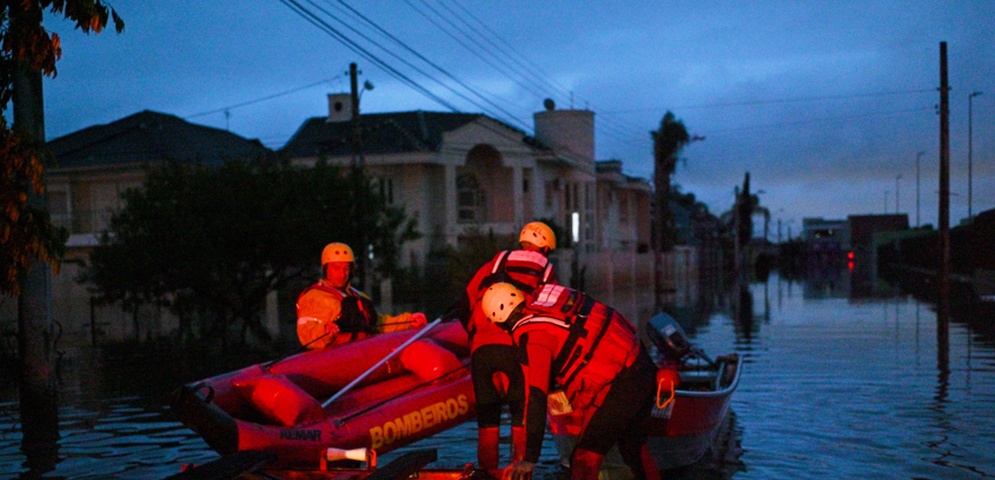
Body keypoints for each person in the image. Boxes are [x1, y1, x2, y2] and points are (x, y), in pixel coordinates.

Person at [481, 282, 661, 480]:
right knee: (632, 447)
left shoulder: (531, 337)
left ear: (498, 322)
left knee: (584, 460)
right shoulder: (546, 300)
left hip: (622, 381)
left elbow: (536, 398)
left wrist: (529, 459)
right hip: (641, 361)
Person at [453, 221, 557, 472]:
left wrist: (477, 338)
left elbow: (465, 304)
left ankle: (489, 475)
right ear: (545, 248)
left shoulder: (495, 262)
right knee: (520, 419)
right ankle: (518, 473)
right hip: (515, 349)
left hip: (481, 351)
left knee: (488, 422)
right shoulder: (546, 269)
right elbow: (550, 314)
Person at [296, 242, 427, 349]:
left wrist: (409, 320)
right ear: (325, 269)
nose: (342, 274)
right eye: (336, 268)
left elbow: (380, 323)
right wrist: (325, 330)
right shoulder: (314, 297)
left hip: (363, 352)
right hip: (337, 359)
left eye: (346, 268)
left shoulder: (357, 295)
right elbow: (306, 333)